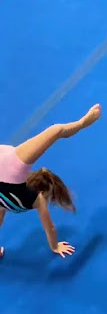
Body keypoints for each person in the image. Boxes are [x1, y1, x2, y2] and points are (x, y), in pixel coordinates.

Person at [0, 104, 101, 260]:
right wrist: (54, 246)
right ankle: (83, 122)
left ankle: (83, 123)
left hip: (7, 169)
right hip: (6, 177)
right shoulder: (31, 201)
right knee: (55, 131)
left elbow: (51, 229)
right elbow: (50, 228)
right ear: (43, 191)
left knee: (56, 130)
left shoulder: (22, 187)